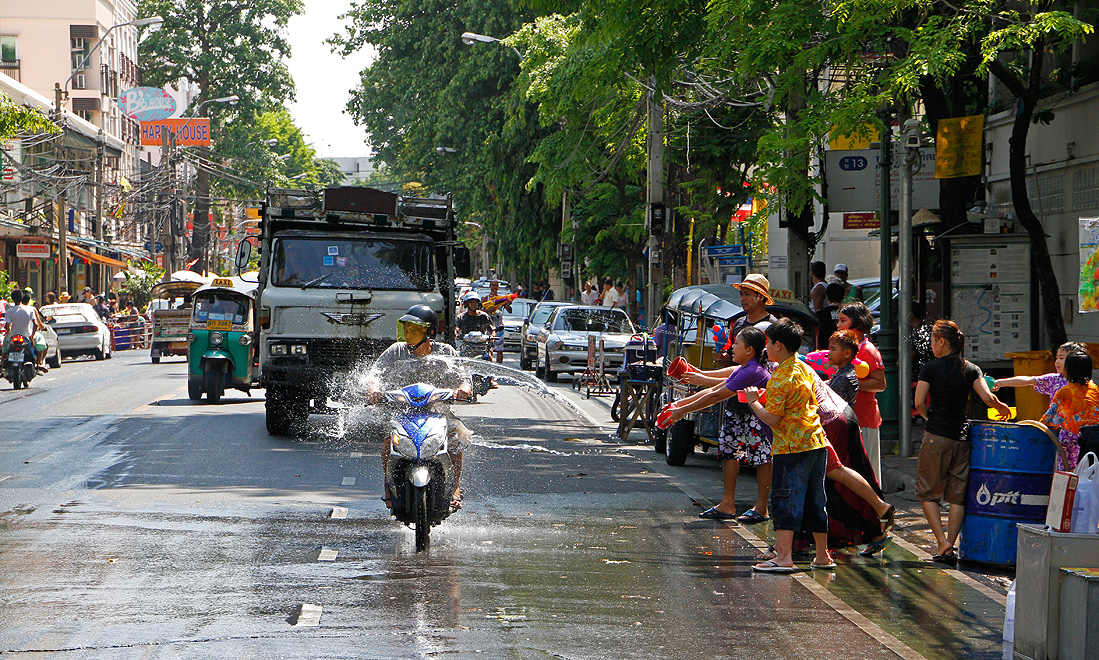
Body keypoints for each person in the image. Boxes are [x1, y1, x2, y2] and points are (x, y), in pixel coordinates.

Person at [914, 320, 1011, 564]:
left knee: (928, 493)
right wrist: (1001, 406)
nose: (931, 345)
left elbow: (918, 402)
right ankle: (951, 544)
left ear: (941, 342)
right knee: (957, 496)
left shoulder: (930, 368)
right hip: (962, 438)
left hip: (936, 437)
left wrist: (928, 418)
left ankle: (942, 543)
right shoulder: (971, 369)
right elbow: (988, 398)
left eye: (933, 340)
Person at [745, 319, 832, 572]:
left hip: (791, 447)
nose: (766, 348)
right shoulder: (803, 368)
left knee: (785, 498)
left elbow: (772, 418)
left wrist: (753, 401)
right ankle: (823, 556)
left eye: (768, 343)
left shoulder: (780, 378)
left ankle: (783, 557)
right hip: (815, 441)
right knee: (816, 500)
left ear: (778, 345)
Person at [665, 326, 773, 524]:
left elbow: (715, 395)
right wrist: (679, 404)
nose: (732, 348)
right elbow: (713, 389)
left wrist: (683, 410)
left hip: (757, 417)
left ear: (749, 350)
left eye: (737, 344)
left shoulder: (753, 371)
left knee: (762, 459)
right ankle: (727, 504)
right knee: (729, 452)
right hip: (739, 414)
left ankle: (761, 507)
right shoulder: (744, 368)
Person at [370, 305, 474, 510]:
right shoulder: (396, 351)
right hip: (401, 411)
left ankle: (454, 486)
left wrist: (464, 388)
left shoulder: (446, 352)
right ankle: (389, 487)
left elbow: (464, 376)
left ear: (430, 333)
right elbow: (376, 373)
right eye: (406, 328)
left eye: (414, 330)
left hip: (438, 410)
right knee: (388, 444)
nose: (408, 334)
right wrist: (374, 388)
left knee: (458, 437)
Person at [836, 302, 886, 480]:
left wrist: (851, 382)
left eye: (843, 320)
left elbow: (880, 384)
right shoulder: (846, 349)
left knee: (867, 470)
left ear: (857, 323)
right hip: (846, 417)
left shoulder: (868, 350)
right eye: (839, 321)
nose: (838, 325)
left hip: (864, 418)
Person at [1041, 351, 1099, 471]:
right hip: (1095, 434)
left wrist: (1035, 428)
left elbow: (1048, 417)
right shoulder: (1094, 388)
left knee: (1076, 474)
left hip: (1079, 438)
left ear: (1067, 370)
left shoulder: (1065, 392)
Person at [4, 289, 48, 373]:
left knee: (5, 345)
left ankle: (3, 360)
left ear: (12, 299)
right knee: (41, 342)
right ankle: (39, 363)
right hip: (27, 335)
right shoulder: (30, 309)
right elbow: (36, 324)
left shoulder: (10, 311)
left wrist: (9, 331)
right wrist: (31, 336)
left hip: (13, 335)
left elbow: (7, 326)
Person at [827, 330, 861, 406]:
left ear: (847, 353)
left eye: (833, 349)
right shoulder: (843, 374)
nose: (829, 353)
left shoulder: (845, 378)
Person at [482, 279, 511, 364]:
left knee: (499, 350)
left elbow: (509, 310)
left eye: (496, 285)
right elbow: (479, 311)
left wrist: (508, 304)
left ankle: (499, 367)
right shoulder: (485, 298)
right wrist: (489, 310)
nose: (494, 287)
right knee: (488, 348)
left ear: (498, 287)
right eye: (493, 285)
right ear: (490, 286)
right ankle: (490, 365)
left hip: (499, 327)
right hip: (488, 327)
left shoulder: (501, 299)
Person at [816, 283, 844, 348]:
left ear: (826, 296)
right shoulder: (848, 312)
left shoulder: (820, 314)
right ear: (843, 297)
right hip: (844, 349)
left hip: (824, 350)